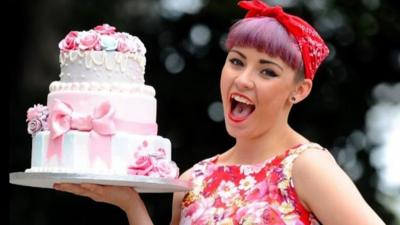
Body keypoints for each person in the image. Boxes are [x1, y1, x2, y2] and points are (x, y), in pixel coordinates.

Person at [53, 0, 386, 224]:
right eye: (237, 61)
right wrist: (131, 205)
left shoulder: (306, 166)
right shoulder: (192, 180)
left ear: (299, 91)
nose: (243, 80)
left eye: (267, 71)